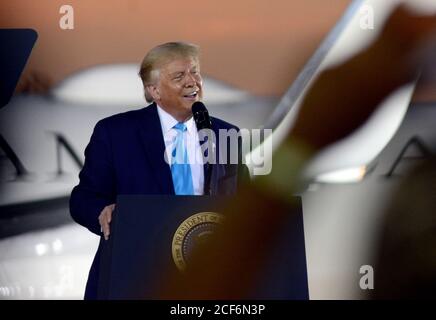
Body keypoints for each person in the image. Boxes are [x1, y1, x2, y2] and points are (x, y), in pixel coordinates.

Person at [69, 41, 249, 300]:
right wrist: (102, 211)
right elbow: (83, 198)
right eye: (179, 76)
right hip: (136, 276)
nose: (192, 82)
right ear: (154, 90)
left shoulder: (225, 134)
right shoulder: (116, 133)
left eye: (195, 72)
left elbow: (244, 201)